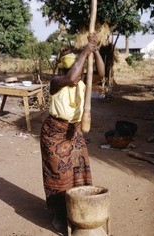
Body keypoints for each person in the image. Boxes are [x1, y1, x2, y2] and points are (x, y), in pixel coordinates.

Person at [40, 33, 105, 235]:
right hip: (54, 134)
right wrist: (85, 50)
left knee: (78, 170)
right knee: (59, 174)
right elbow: (70, 77)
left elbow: (101, 74)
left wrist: (96, 50)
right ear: (65, 70)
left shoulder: (82, 83)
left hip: (74, 133)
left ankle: (79, 208)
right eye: (75, 72)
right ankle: (59, 213)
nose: (77, 77)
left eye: (80, 72)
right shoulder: (57, 82)